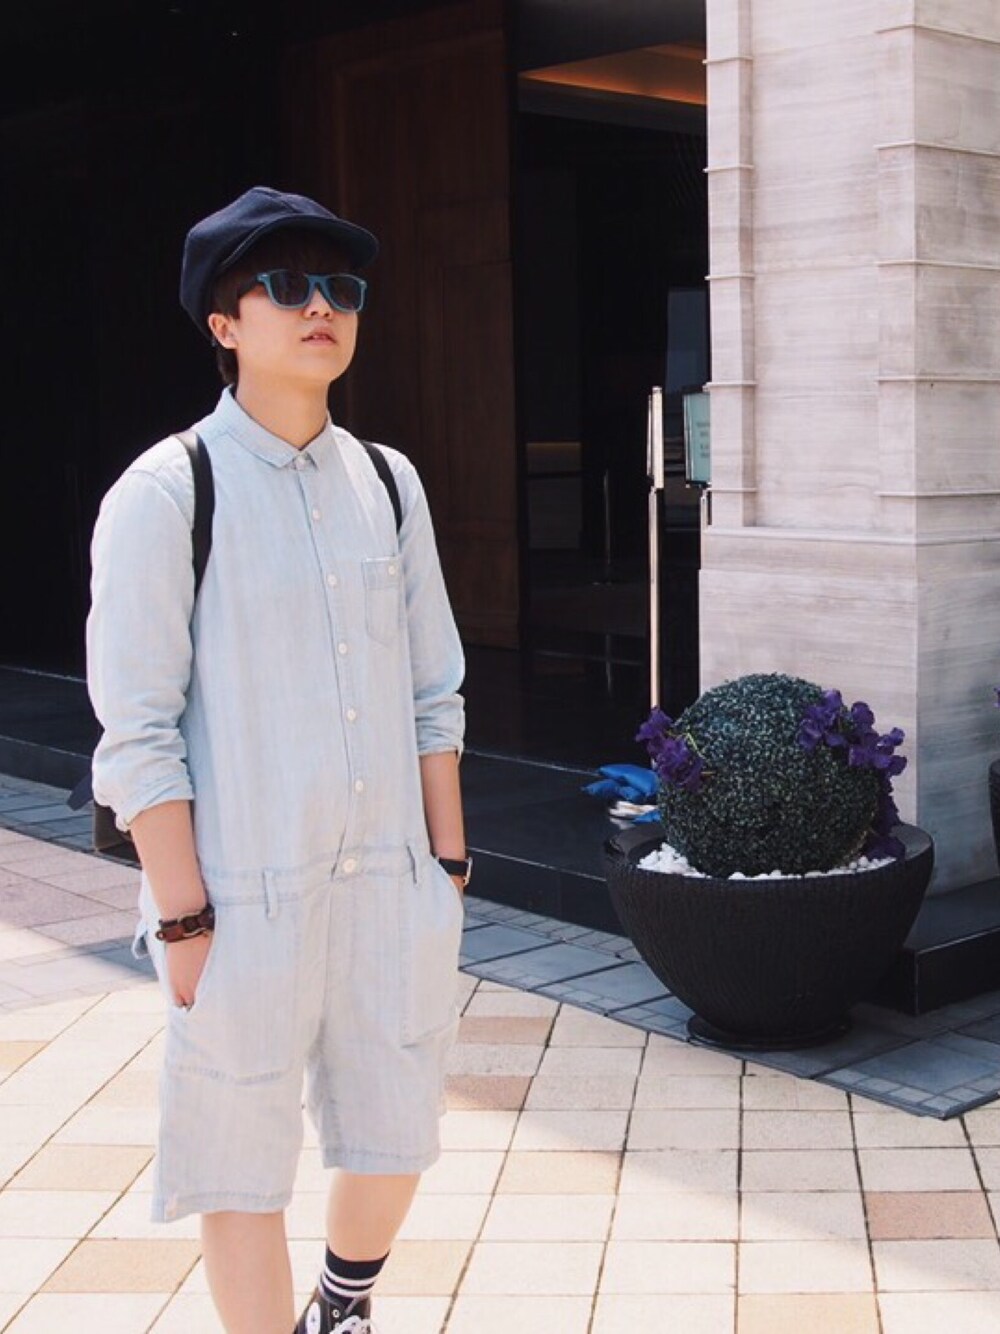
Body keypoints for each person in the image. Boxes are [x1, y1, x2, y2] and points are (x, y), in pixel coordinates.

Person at [86, 186, 470, 1334]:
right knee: (237, 1158)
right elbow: (137, 729)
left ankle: (340, 1305)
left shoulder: (389, 481)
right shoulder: (170, 491)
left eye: (340, 288)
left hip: (390, 884)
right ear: (224, 322)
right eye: (288, 286)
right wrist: (183, 914)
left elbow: (433, 689)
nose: (321, 308)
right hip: (238, 896)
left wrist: (447, 865)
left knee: (396, 1131)